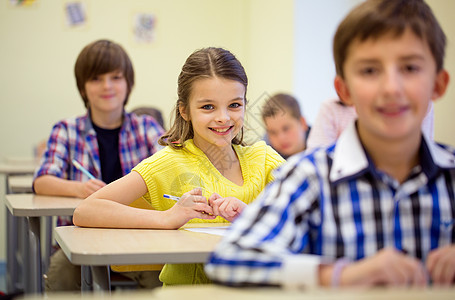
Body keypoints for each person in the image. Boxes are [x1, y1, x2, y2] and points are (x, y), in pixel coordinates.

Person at [205, 0, 455, 288]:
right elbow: (231, 257)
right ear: (344, 90)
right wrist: (340, 275)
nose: (391, 88)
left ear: (438, 84)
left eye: (410, 67)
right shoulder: (309, 176)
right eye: (370, 71)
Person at [73, 47, 285, 286]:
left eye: (234, 105)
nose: (223, 117)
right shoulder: (170, 162)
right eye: (208, 107)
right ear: (184, 111)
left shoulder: (263, 158)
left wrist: (253, 217)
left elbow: (315, 211)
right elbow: (86, 210)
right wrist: (166, 218)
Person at [33, 39, 165, 291]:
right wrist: (77, 189)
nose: (107, 86)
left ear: (128, 84)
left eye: (116, 77)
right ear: (83, 88)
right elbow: (42, 180)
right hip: (81, 236)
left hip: (138, 234)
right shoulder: (67, 130)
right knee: (61, 276)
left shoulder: (146, 127)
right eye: (96, 79)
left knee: (165, 278)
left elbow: (169, 169)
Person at [307, 98, 435, 149]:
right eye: (369, 71)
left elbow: (423, 150)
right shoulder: (331, 108)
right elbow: (315, 154)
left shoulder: (422, 105)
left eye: (409, 68)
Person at [261, 93, 310, 159]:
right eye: (273, 132)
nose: (281, 138)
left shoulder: (322, 148)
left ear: (303, 123)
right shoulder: (266, 158)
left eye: (286, 129)